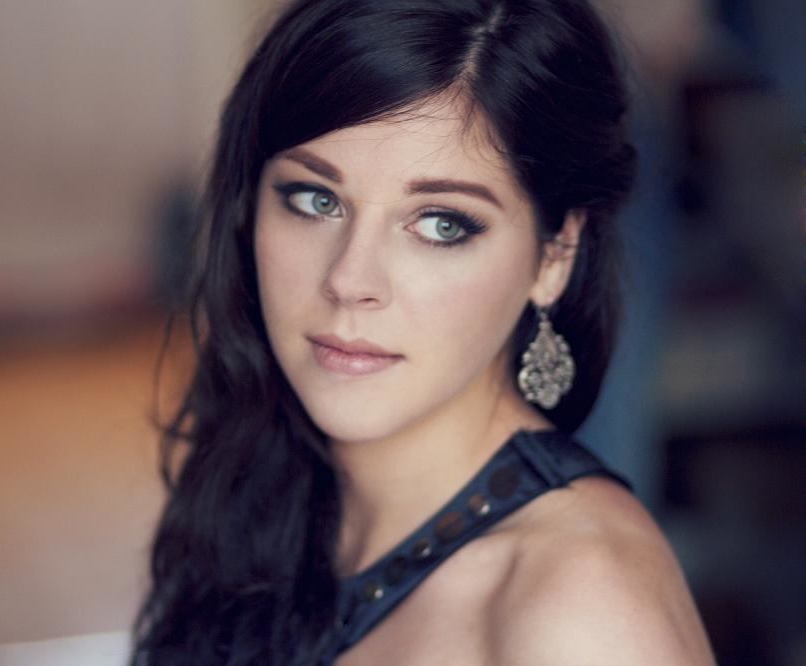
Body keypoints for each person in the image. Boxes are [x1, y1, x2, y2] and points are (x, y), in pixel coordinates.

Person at [131, 0, 716, 663]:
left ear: (553, 256)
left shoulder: (584, 611)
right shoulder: (263, 484)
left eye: (440, 224)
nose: (349, 280)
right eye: (316, 200)